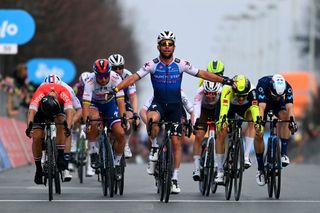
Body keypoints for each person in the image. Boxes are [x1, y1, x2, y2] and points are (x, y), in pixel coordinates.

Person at [113, 30, 234, 194]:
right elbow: (134, 77)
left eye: (170, 44)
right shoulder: (152, 64)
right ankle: (155, 148)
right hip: (159, 104)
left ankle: (175, 179)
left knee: (176, 142)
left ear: (174, 47)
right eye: (164, 44)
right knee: (152, 120)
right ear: (158, 46)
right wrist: (117, 88)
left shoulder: (181, 64)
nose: (167, 47)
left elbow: (202, 74)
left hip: (176, 107)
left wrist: (224, 80)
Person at [82, 59, 126, 180]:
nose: (103, 80)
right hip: (94, 104)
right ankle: (93, 151)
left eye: (105, 76)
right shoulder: (89, 81)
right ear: (95, 74)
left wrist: (124, 118)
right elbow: (85, 104)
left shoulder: (116, 78)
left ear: (109, 73)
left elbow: (121, 101)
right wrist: (86, 121)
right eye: (100, 77)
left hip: (110, 105)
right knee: (93, 120)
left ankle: (117, 164)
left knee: (121, 133)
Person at [216, 74, 262, 184]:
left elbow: (255, 108)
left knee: (253, 120)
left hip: (245, 110)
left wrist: (257, 122)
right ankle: (220, 171)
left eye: (243, 96)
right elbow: (224, 109)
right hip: (229, 108)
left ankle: (246, 156)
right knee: (222, 131)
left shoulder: (253, 91)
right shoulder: (227, 89)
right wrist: (223, 121)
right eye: (238, 96)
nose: (241, 98)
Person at [25, 83, 73, 185]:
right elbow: (31, 111)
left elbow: (69, 112)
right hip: (41, 112)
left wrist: (68, 127)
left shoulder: (64, 92)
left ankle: (60, 155)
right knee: (37, 137)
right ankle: (38, 169)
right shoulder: (40, 92)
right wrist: (29, 127)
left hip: (57, 110)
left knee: (61, 123)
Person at [139, 89, 194, 172]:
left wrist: (191, 125)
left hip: (175, 113)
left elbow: (192, 112)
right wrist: (149, 124)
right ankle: (153, 155)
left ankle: (174, 162)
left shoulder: (181, 94)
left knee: (180, 131)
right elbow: (142, 111)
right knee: (152, 131)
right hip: (160, 115)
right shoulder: (158, 93)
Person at [256, 74, 297, 181]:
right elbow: (261, 107)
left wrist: (292, 121)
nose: (277, 97)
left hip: (277, 105)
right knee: (258, 132)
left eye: (279, 95)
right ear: (271, 87)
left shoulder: (287, 87)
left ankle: (283, 154)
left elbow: (290, 107)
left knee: (286, 119)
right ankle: (260, 169)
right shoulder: (263, 84)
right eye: (275, 95)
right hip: (263, 103)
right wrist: (259, 123)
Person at [42, 74, 83, 181]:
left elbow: (79, 109)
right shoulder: (41, 89)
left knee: (65, 128)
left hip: (61, 107)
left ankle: (65, 165)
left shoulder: (67, 90)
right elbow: (33, 110)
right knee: (40, 125)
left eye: (55, 90)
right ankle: (44, 153)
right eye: (49, 90)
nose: (52, 91)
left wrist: (71, 123)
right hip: (45, 106)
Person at [108, 54, 140, 159]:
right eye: (114, 68)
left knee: (129, 119)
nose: (117, 70)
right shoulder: (105, 76)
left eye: (120, 67)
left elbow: (133, 96)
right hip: (110, 102)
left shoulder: (127, 75)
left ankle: (125, 144)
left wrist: (135, 113)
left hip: (124, 101)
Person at [192, 80, 222, 181]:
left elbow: (226, 109)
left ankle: (218, 163)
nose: (210, 96)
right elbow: (196, 109)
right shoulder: (199, 92)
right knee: (199, 135)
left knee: (220, 135)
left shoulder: (222, 92)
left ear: (217, 92)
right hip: (203, 111)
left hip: (217, 111)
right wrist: (195, 123)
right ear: (204, 91)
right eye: (208, 93)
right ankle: (196, 168)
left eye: (213, 94)